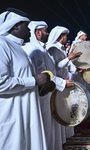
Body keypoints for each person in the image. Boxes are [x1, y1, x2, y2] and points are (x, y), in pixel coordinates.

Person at [0, 8, 48, 150]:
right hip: (6, 118)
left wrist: (38, 87)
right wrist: (33, 81)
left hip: (21, 116)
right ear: (15, 25)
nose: (30, 29)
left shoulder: (16, 47)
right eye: (26, 25)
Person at [22, 21, 75, 150]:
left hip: (49, 94)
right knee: (43, 129)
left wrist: (62, 78)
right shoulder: (34, 50)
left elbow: (51, 71)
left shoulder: (42, 49)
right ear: (38, 32)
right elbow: (43, 75)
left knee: (50, 128)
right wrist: (62, 82)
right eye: (45, 31)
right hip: (41, 96)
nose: (47, 33)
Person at [46, 25, 82, 139]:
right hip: (57, 84)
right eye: (66, 35)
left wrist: (75, 69)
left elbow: (64, 65)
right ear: (61, 36)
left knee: (65, 109)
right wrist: (69, 58)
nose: (67, 37)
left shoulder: (59, 48)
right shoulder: (52, 48)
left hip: (64, 81)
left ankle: (64, 137)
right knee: (59, 111)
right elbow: (55, 67)